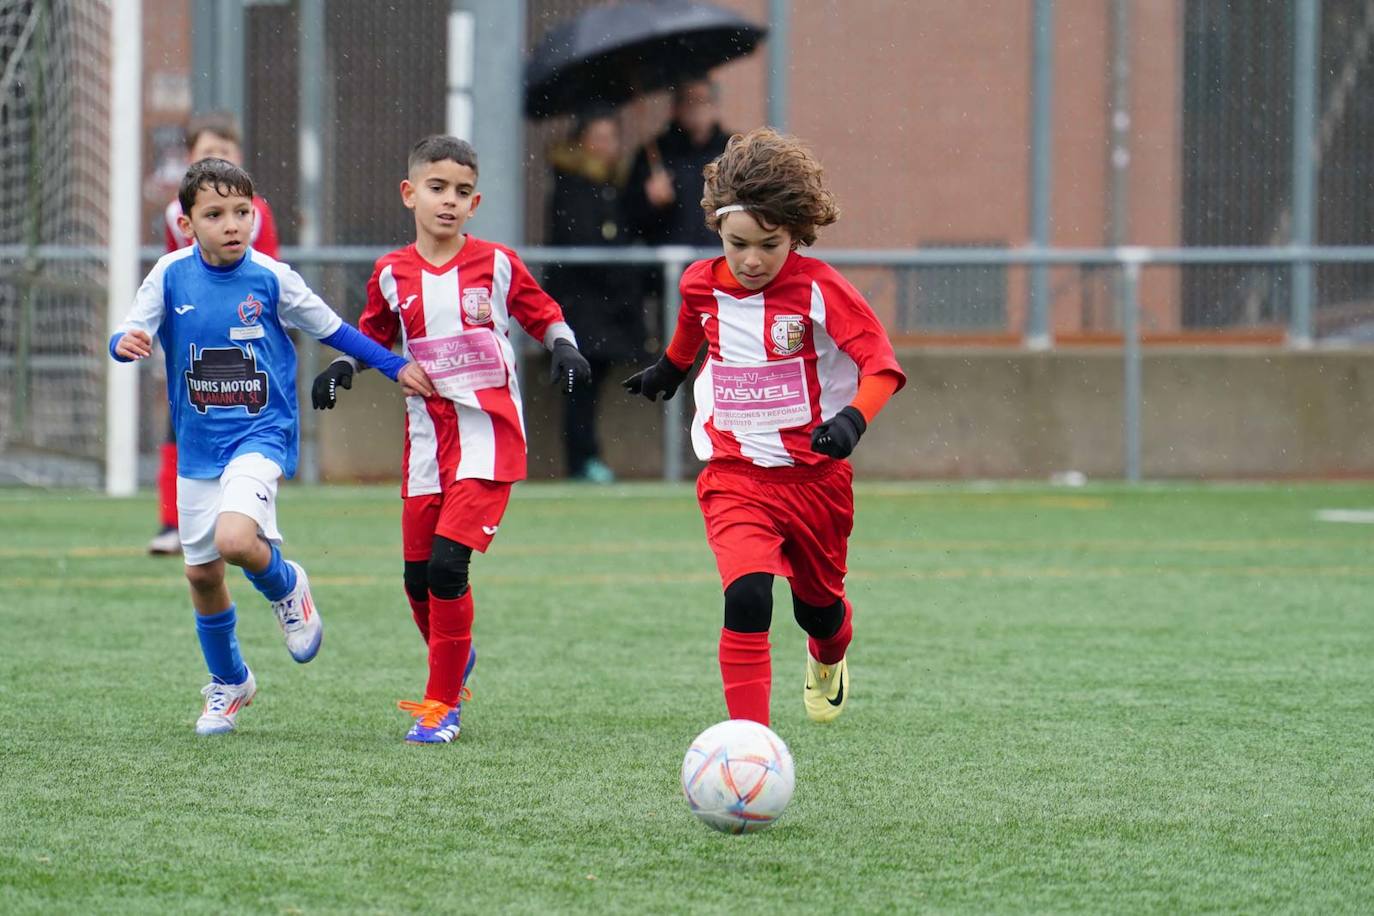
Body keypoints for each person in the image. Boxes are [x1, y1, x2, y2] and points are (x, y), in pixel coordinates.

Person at [110, 158, 433, 736]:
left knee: (235, 540)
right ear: (187, 226)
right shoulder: (168, 274)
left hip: (261, 435)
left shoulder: (272, 277)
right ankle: (230, 683)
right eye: (215, 215)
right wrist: (124, 341)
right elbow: (128, 328)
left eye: (243, 212)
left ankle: (288, 587)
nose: (233, 224)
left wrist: (394, 365)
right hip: (197, 446)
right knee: (202, 576)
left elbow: (333, 328)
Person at [311, 136, 592, 744]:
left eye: (462, 192)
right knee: (417, 581)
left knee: (447, 566)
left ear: (475, 202)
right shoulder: (391, 272)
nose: (449, 201)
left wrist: (565, 346)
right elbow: (373, 335)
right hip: (425, 444)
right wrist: (344, 367)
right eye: (437, 188)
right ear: (410, 194)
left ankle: (442, 708)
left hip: (489, 439)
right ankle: (451, 657)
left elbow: (540, 311)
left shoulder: (496, 263)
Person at [623, 128, 906, 727]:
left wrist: (852, 420)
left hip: (814, 482)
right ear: (719, 234)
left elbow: (881, 367)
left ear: (796, 234)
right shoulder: (700, 282)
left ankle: (828, 654)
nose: (751, 260)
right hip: (735, 475)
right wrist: (667, 372)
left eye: (768, 245)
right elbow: (693, 329)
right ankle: (749, 745)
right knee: (747, 595)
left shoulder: (823, 290)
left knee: (819, 612)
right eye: (737, 244)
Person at [149, 113, 281, 556]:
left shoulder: (255, 212)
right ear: (189, 159)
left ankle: (247, 515)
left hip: (248, 342)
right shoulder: (177, 214)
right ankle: (172, 523)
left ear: (238, 159)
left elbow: (269, 273)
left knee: (252, 429)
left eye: (225, 153)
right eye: (207, 153)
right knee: (181, 425)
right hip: (194, 343)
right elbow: (177, 271)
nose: (231, 223)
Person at [543, 108, 644, 482]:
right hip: (582, 311)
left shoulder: (615, 188)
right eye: (598, 138)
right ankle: (582, 460)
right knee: (579, 389)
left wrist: (650, 200)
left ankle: (587, 458)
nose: (606, 147)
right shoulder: (572, 187)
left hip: (605, 313)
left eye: (611, 138)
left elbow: (629, 231)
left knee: (590, 389)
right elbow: (585, 244)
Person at [623, 79, 732, 249]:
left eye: (702, 100)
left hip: (719, 257)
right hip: (668, 261)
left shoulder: (732, 151)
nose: (696, 108)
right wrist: (649, 201)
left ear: (715, 106)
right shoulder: (654, 154)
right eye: (689, 101)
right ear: (675, 108)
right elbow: (630, 219)